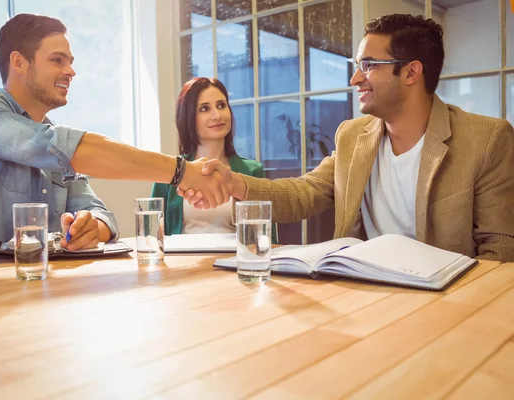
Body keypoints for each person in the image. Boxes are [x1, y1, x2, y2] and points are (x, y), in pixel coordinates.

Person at [181, 13, 514, 261]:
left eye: (368, 65)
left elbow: (500, 254)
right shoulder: (352, 136)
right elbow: (304, 193)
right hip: (361, 292)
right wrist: (235, 182)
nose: (355, 78)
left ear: (412, 72)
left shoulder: (487, 139)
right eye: (357, 65)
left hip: (444, 307)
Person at [0, 13, 229, 260]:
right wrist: (181, 171)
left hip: (35, 293)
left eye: (70, 61)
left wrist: (92, 228)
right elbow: (68, 148)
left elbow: (103, 215)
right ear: (18, 62)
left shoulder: (51, 142)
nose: (71, 71)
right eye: (57, 60)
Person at [151, 77, 277, 242]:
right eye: (204, 109)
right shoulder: (170, 170)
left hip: (235, 263)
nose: (217, 115)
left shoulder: (253, 171)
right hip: (183, 264)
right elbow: (152, 237)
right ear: (187, 117)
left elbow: (267, 239)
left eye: (221, 105)